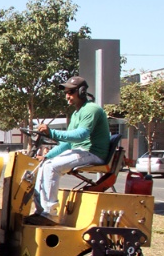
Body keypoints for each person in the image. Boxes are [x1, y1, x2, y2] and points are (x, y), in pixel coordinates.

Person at [27, 75, 111, 225]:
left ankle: (50, 215)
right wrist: (47, 156)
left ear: (82, 91)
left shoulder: (91, 109)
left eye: (71, 92)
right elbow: (68, 143)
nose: (67, 96)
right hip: (81, 150)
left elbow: (80, 135)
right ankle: (41, 212)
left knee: (52, 167)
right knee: (44, 165)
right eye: (66, 92)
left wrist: (51, 132)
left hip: (93, 153)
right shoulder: (76, 113)